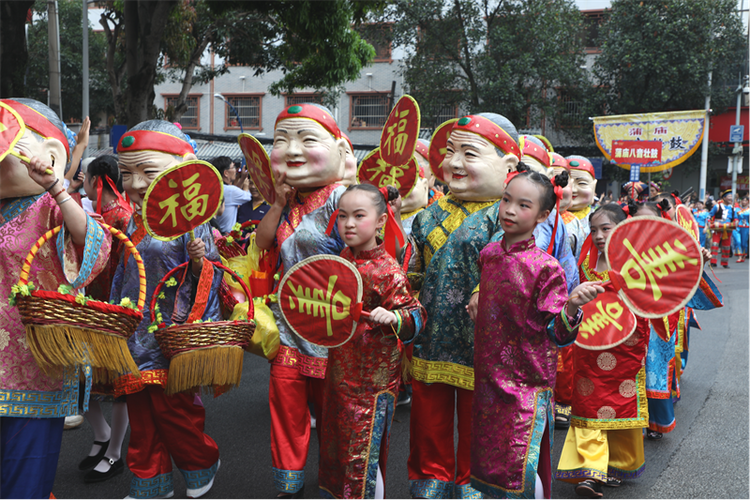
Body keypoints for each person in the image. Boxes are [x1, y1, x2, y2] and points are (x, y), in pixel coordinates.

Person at [0, 98, 112, 500]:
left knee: (22, 477)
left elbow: (94, 247)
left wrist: (57, 188)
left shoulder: (51, 207)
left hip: (33, 364)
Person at [468, 170, 601, 500]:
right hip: (487, 378)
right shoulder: (489, 255)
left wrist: (571, 307)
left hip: (527, 383)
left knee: (521, 466)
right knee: (489, 465)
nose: (510, 210)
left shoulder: (546, 268)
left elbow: (558, 333)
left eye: (523, 205)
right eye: (506, 200)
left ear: (543, 215)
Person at [111, 120, 222, 500]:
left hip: (169, 328)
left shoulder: (191, 219)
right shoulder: (132, 218)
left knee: (175, 410)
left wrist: (197, 262)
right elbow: (125, 270)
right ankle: (149, 483)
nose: (137, 184)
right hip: (134, 328)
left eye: (149, 171)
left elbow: (212, 272)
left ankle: (201, 462)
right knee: (141, 414)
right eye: (128, 173)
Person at [252, 103, 347, 499]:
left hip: (331, 330)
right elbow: (261, 244)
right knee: (286, 412)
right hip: (288, 327)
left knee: (332, 418)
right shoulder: (287, 200)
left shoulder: (343, 198)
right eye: (282, 140)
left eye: (307, 140)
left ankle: (336, 480)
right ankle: (289, 483)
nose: (292, 150)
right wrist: (277, 201)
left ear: (340, 149)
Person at [319, 183, 427, 500]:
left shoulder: (388, 271)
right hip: (340, 367)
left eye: (359, 216)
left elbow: (415, 316)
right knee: (338, 440)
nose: (348, 224)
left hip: (373, 378)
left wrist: (394, 318)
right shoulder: (340, 259)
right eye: (342, 216)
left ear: (381, 221)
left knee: (364, 447)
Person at [555, 203, 650, 498]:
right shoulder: (585, 265)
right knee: (588, 404)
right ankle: (589, 472)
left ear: (624, 228)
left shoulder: (636, 266)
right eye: (593, 230)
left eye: (605, 229)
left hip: (625, 350)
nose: (598, 236)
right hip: (589, 348)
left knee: (619, 404)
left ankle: (615, 463)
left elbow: (650, 305)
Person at [77, 155, 134, 483]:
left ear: (97, 180)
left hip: (113, 312)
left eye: (86, 178)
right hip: (94, 307)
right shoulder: (99, 214)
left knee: (116, 385)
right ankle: (102, 436)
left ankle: (114, 453)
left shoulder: (121, 218)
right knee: (86, 379)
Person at [212, 156, 253, 234]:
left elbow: (234, 193)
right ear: (226, 173)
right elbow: (250, 197)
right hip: (227, 235)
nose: (235, 170)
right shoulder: (230, 191)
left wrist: (242, 179)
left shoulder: (217, 187)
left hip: (216, 232)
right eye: (233, 167)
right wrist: (246, 187)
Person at [707, 190, 736, 268]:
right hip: (718, 227)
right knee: (715, 244)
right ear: (724, 198)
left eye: (731, 197)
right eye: (729, 197)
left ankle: (725, 263)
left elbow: (735, 218)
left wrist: (735, 223)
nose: (730, 198)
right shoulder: (717, 206)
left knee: (726, 246)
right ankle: (713, 262)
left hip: (728, 228)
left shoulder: (732, 208)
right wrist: (710, 223)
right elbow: (709, 216)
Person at [735, 196, 750, 262]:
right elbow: (735, 217)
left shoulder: (749, 210)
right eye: (743, 200)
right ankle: (739, 256)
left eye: (745, 200)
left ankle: (744, 254)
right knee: (738, 241)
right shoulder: (737, 209)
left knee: (744, 242)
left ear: (747, 202)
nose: (744, 202)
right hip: (738, 226)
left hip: (746, 227)